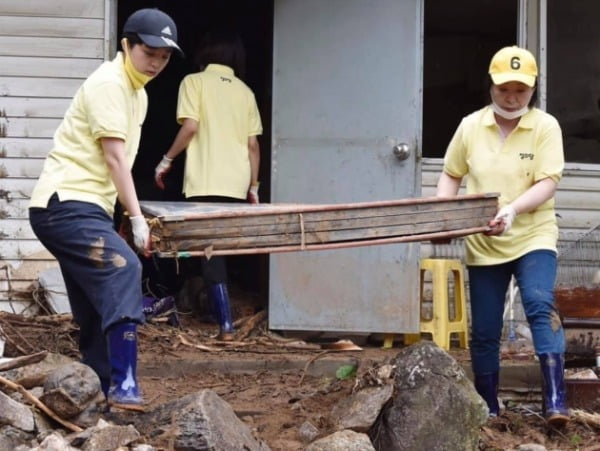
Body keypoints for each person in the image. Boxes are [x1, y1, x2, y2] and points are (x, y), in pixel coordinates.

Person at [28, 8, 182, 409]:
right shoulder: (109, 84)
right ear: (126, 45)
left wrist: (119, 220)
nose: (156, 64)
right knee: (124, 268)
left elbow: (119, 168)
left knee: (95, 298)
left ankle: (97, 385)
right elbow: (115, 160)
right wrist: (136, 219)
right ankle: (126, 382)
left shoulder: (138, 94)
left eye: (164, 58)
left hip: (88, 207)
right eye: (149, 53)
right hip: (64, 204)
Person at [435, 46, 568, 426]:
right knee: (486, 328)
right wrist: (444, 216)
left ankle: (556, 401)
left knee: (541, 305)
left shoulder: (545, 126)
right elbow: (451, 173)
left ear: (533, 90)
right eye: (503, 89)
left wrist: (512, 210)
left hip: (533, 234)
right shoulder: (470, 126)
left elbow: (548, 182)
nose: (511, 98)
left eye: (520, 91)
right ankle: (487, 407)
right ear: (489, 86)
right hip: (484, 239)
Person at [154, 29, 262, 341]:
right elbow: (253, 145)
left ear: (204, 53)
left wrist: (166, 160)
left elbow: (190, 127)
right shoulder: (245, 92)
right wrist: (253, 186)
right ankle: (222, 316)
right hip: (237, 182)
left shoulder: (194, 82)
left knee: (210, 251)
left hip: (205, 180)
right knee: (221, 249)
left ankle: (226, 324)